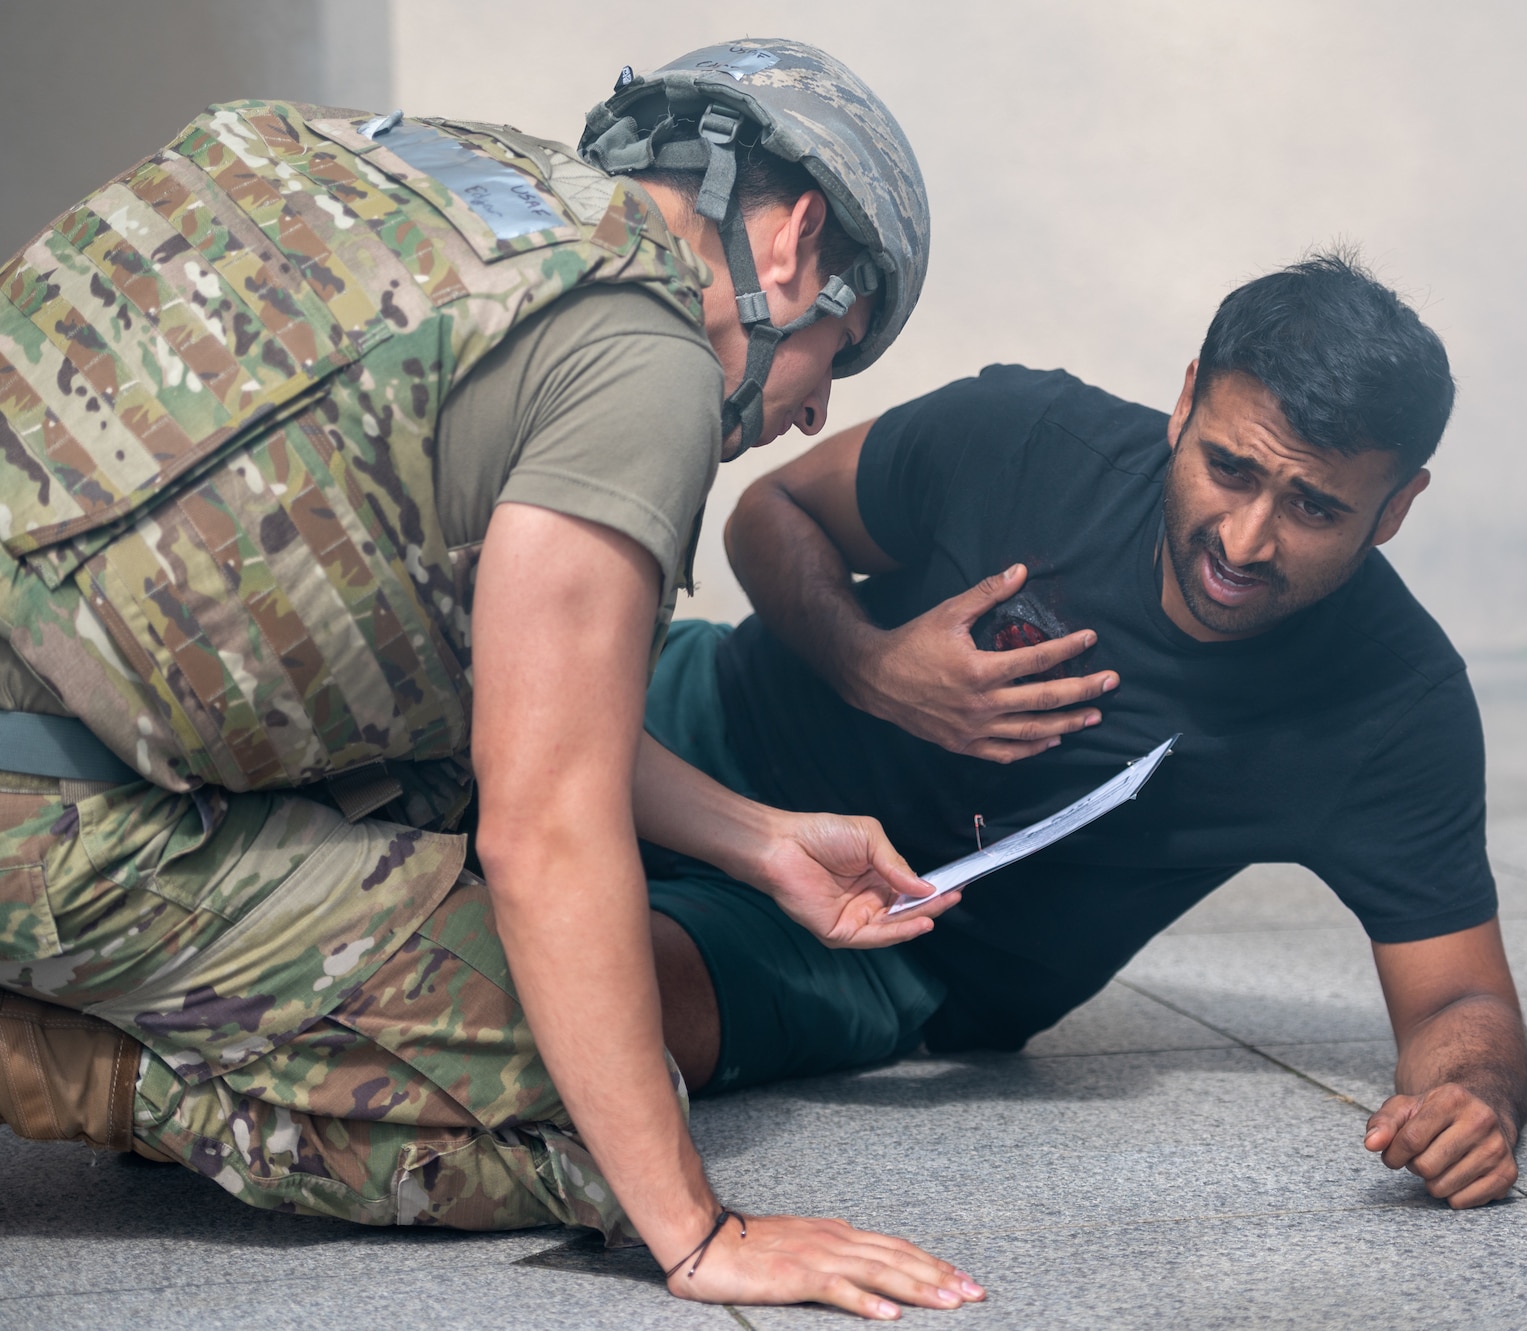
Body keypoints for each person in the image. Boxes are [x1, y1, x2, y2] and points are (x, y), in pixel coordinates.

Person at [0, 39, 986, 1319]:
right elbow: (544, 829)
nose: (810, 415)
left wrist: (760, 843)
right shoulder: (647, 356)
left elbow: (503, 703)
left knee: (455, 832)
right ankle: (54, 1061)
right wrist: (692, 1231)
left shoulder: (425, 183)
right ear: (792, 244)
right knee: (577, 1094)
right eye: (838, 354)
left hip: (67, 712)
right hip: (45, 810)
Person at [639, 252, 1527, 1210]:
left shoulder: (1395, 707)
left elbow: (1459, 999)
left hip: (888, 948)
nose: (1244, 540)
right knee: (470, 713)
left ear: (1396, 507)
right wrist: (872, 666)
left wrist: (1472, 1098)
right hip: (705, 717)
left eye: (1313, 507)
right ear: (1186, 402)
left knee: (585, 1005)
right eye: (1229, 469)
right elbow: (771, 510)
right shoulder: (1028, 437)